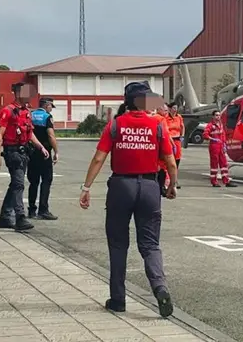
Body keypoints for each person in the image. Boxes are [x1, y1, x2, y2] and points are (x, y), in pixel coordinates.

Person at [79, 81, 177, 318]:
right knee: (150, 244)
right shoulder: (158, 127)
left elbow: (98, 159)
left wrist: (86, 187)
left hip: (121, 186)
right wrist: (172, 186)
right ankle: (160, 288)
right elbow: (171, 162)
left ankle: (118, 299)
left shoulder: (115, 126)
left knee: (118, 244)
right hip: (150, 187)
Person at [0, 82, 50, 231]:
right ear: (18, 93)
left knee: (15, 185)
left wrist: (41, 147)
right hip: (12, 152)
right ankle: (20, 217)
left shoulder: (26, 112)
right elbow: (0, 134)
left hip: (24, 152)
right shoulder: (7, 111)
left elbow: (29, 133)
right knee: (19, 184)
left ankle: (5, 217)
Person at [27, 97, 59, 220]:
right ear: (47, 105)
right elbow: (51, 135)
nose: (51, 109)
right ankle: (43, 209)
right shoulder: (47, 117)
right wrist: (56, 151)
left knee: (33, 182)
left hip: (32, 152)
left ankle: (31, 210)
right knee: (46, 180)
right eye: (51, 106)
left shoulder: (31, 115)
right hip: (44, 153)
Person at [202, 110, 237, 188]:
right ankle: (214, 181)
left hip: (221, 146)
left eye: (219, 115)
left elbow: (223, 135)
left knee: (224, 164)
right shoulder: (210, 125)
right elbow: (205, 135)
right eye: (216, 115)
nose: (218, 117)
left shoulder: (221, 125)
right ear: (213, 116)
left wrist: (224, 145)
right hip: (214, 147)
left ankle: (226, 180)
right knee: (214, 164)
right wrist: (212, 139)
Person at [151, 104, 173, 197]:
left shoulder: (153, 118)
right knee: (163, 168)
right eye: (166, 111)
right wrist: (171, 144)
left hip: (153, 147)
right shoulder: (161, 119)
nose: (167, 113)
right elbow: (166, 134)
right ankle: (161, 188)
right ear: (160, 110)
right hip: (161, 147)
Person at [165, 103, 185, 189]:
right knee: (169, 160)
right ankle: (168, 180)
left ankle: (175, 180)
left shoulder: (179, 117)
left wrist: (182, 136)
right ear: (169, 109)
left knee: (177, 160)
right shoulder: (166, 118)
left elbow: (182, 127)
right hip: (169, 139)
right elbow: (166, 130)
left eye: (176, 108)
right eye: (173, 108)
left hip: (177, 139)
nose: (175, 110)